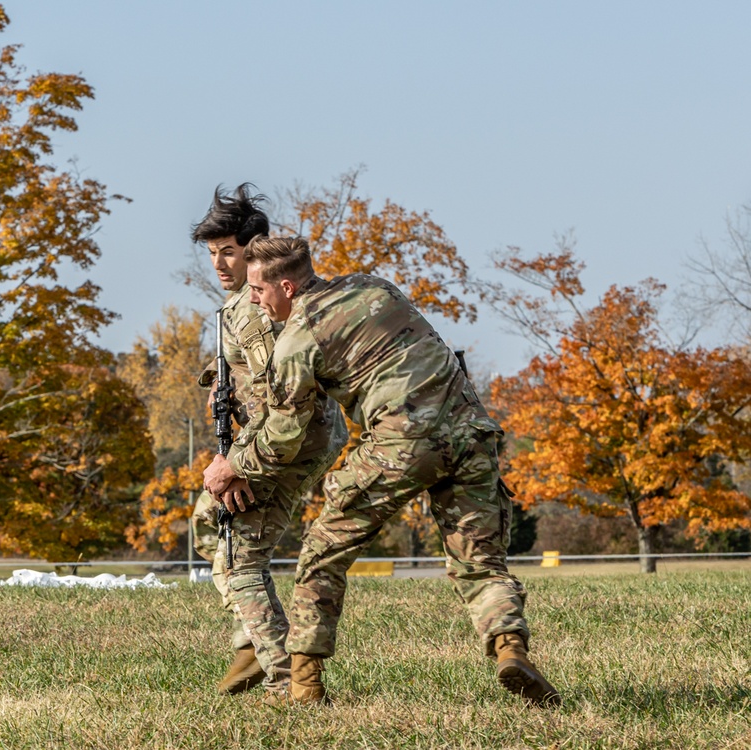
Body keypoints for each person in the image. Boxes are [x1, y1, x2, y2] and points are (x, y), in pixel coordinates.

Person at [203, 235, 561, 707]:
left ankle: (303, 686)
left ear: (286, 287)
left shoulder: (295, 339)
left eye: (257, 289)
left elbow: (284, 436)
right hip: (471, 430)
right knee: (480, 563)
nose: (251, 299)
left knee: (322, 553)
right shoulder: (373, 287)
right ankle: (510, 649)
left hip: (402, 442)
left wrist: (233, 465)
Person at [189, 187, 347, 698]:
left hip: (285, 439)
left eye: (228, 251)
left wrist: (236, 462)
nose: (219, 263)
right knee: (208, 526)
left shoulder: (252, 309)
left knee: (238, 556)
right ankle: (251, 645)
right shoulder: (239, 304)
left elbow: (275, 395)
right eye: (212, 253)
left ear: (253, 247)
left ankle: (285, 678)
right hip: (285, 436)